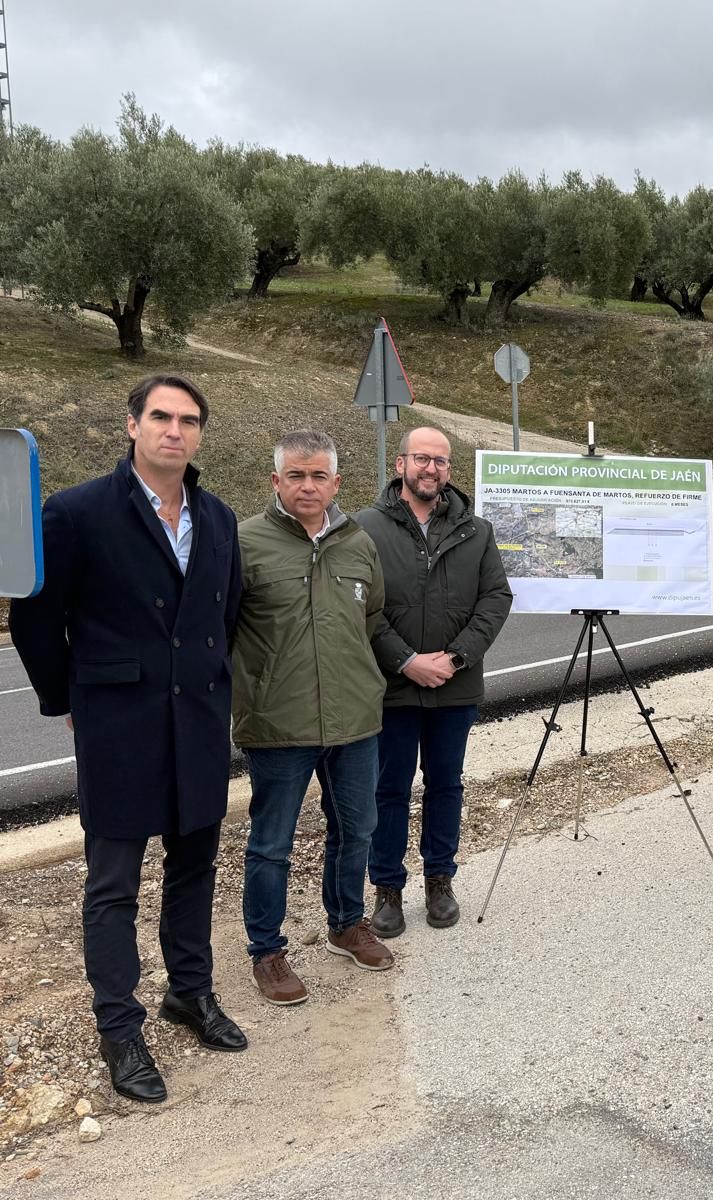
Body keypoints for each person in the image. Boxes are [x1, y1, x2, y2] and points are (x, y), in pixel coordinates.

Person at [10, 375, 247, 1104]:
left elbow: (226, 609)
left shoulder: (218, 517)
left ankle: (191, 992)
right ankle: (119, 1026)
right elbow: (35, 621)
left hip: (199, 724)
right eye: (161, 417)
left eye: (188, 420)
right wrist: (69, 698)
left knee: (195, 869)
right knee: (112, 887)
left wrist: (210, 677)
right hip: (120, 725)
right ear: (132, 425)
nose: (174, 430)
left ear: (201, 433)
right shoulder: (76, 512)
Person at [233, 431, 392, 1005]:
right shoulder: (244, 543)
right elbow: (223, 627)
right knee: (272, 842)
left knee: (358, 828)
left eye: (317, 475)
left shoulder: (358, 543)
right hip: (279, 723)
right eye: (295, 476)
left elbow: (369, 617)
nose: (307, 486)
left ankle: (347, 923)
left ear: (335, 483)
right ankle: (266, 951)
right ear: (276, 481)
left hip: (354, 719)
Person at [356, 427, 511, 935]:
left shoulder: (477, 530)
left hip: (455, 686)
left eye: (441, 461)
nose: (431, 468)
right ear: (400, 464)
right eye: (422, 458)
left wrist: (457, 657)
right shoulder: (364, 529)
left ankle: (440, 880)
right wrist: (406, 661)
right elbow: (361, 607)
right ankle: (387, 888)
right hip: (392, 688)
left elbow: (495, 599)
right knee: (389, 790)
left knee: (446, 785)